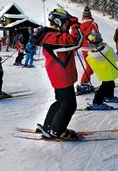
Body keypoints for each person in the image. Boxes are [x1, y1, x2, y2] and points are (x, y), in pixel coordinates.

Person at [35, 9, 83, 140]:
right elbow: (76, 41)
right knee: (69, 105)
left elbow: (73, 44)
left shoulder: (54, 36)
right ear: (59, 22)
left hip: (62, 76)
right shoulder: (52, 37)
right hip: (61, 77)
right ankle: (57, 130)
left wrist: (72, 25)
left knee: (61, 102)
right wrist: (75, 25)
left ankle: (49, 126)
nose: (67, 27)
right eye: (66, 24)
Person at [86, 32, 118, 109]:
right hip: (109, 71)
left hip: (102, 72)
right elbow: (116, 58)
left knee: (110, 84)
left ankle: (108, 96)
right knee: (105, 86)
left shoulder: (91, 54)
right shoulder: (107, 49)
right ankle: (96, 102)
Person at [77, 7, 99, 94]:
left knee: (89, 66)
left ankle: (85, 82)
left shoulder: (80, 25)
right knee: (91, 67)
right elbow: (97, 36)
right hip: (92, 48)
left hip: (83, 48)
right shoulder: (93, 24)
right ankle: (84, 82)